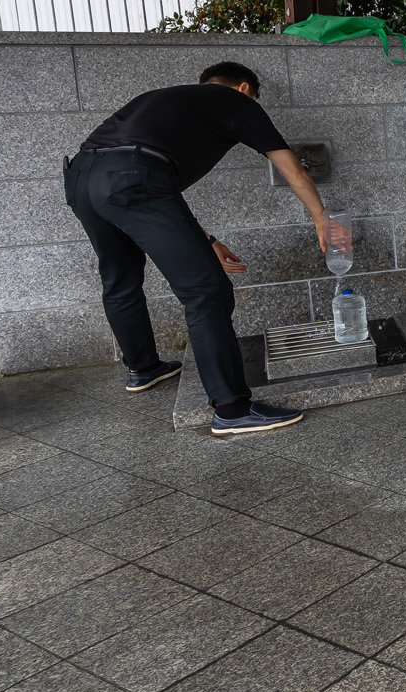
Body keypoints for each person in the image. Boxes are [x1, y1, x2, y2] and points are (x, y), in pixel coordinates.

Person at [64, 61, 331, 436]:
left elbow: (155, 192)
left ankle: (143, 368)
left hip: (82, 179)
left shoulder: (166, 100)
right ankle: (232, 409)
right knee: (207, 292)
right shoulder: (236, 101)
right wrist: (321, 217)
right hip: (132, 179)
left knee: (120, 278)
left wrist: (208, 241)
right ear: (243, 89)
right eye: (254, 97)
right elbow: (293, 169)